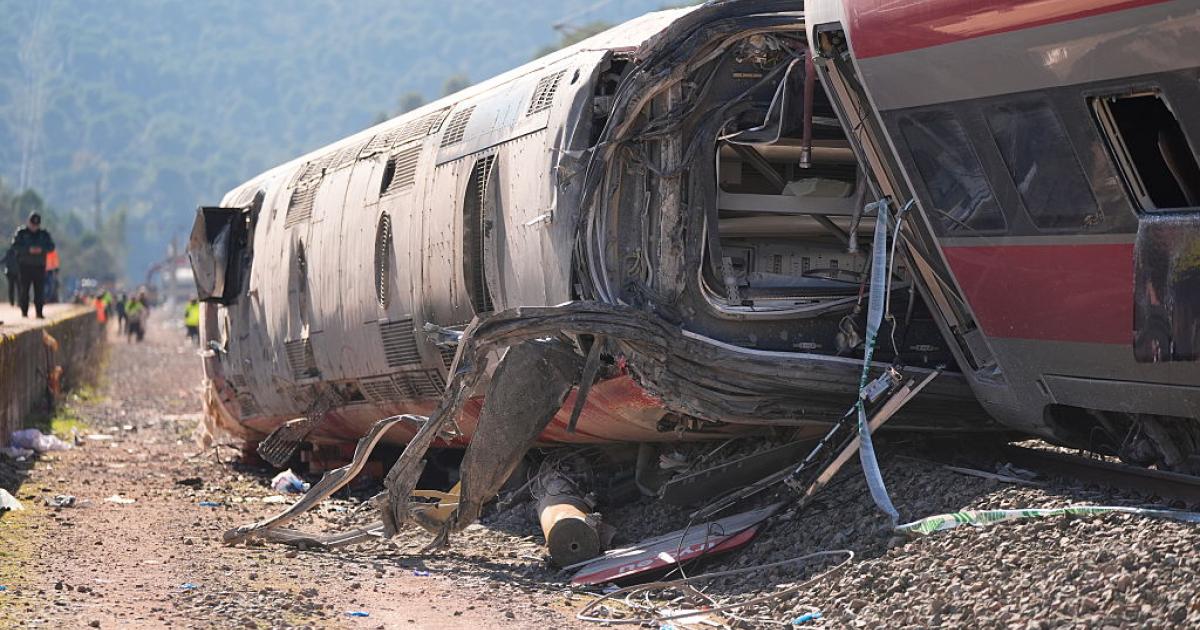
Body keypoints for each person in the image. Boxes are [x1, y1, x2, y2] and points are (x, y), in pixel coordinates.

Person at [10, 213, 56, 318]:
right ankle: (24, 312)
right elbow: (15, 246)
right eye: (32, 224)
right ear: (28, 222)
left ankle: (39, 312)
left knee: (39, 290)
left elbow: (51, 246)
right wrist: (28, 250)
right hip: (24, 266)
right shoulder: (21, 233)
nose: (34, 227)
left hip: (39, 266)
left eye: (36, 225)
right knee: (24, 290)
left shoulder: (44, 234)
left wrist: (41, 249)